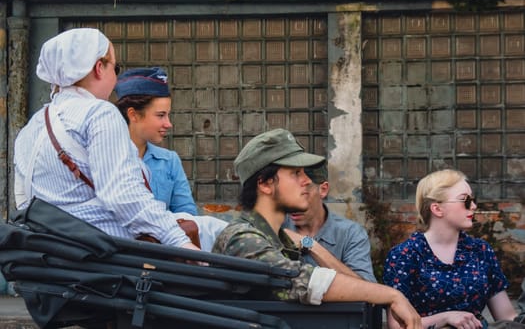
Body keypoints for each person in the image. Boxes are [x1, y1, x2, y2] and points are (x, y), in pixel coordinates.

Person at [212, 128, 422, 329]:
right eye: (296, 173)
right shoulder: (242, 238)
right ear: (265, 184)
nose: (306, 181)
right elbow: (300, 280)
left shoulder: (279, 238)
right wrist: (392, 295)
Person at [13, 28, 199, 251]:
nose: (116, 77)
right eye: (115, 68)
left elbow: (23, 200)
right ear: (99, 68)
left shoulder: (33, 125)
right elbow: (122, 195)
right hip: (104, 258)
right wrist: (179, 240)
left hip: (53, 255)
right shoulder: (99, 113)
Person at [383, 169, 517, 329]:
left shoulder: (480, 250)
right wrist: (445, 318)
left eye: (473, 200)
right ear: (437, 209)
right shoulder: (404, 255)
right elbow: (397, 325)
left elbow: (507, 317)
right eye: (465, 201)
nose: (473, 206)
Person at [114, 66, 227, 251]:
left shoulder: (169, 161)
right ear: (133, 114)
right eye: (160, 115)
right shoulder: (108, 159)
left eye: (168, 115)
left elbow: (188, 218)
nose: (168, 123)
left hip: (167, 257)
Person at [282, 163, 377, 282]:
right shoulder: (276, 226)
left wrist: (310, 245)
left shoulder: (350, 233)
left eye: (303, 194)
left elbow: (368, 289)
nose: (293, 205)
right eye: (288, 195)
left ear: (323, 189)